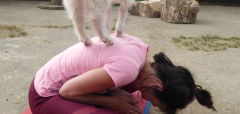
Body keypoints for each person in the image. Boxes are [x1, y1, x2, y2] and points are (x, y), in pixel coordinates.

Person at [29, 33, 216, 114]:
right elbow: (66, 92)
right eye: (154, 101)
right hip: (45, 94)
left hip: (66, 82)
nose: (148, 101)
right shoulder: (128, 68)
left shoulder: (143, 56)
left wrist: (113, 91)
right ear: (158, 86)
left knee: (132, 92)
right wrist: (110, 100)